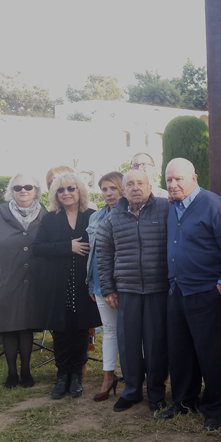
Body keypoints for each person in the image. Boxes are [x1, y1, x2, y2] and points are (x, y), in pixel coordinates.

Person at [156, 158, 221, 432]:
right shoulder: (173, 207)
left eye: (179, 179)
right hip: (177, 290)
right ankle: (183, 402)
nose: (173, 184)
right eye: (169, 179)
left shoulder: (213, 205)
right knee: (179, 352)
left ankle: (215, 409)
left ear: (194, 178)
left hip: (206, 292)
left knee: (210, 354)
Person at [95, 170, 169, 413]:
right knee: (128, 344)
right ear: (123, 190)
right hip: (126, 290)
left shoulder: (165, 208)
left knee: (156, 343)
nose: (135, 188)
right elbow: (103, 256)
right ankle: (132, 391)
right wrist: (108, 289)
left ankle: (157, 393)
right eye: (130, 184)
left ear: (150, 186)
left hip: (158, 288)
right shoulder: (113, 218)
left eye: (140, 183)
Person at [0, 174, 46, 388]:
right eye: (18, 187)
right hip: (4, 280)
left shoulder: (45, 216)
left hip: (34, 281)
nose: (23, 190)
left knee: (26, 327)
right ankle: (12, 373)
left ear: (35, 190)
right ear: (11, 191)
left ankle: (26, 371)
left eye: (28, 187)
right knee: (8, 327)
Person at [32, 173, 101, 399]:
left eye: (70, 188)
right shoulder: (50, 218)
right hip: (57, 286)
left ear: (80, 190)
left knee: (81, 331)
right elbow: (38, 247)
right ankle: (62, 377)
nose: (66, 193)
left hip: (84, 285)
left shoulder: (92, 216)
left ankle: (77, 376)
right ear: (55, 194)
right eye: (60, 190)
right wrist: (67, 247)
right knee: (60, 332)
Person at [86, 171, 124, 401]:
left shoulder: (131, 214)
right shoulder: (95, 218)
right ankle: (108, 378)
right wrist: (91, 283)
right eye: (104, 189)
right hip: (100, 282)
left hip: (126, 283)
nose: (108, 193)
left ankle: (136, 376)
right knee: (109, 331)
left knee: (133, 331)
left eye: (113, 188)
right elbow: (93, 254)